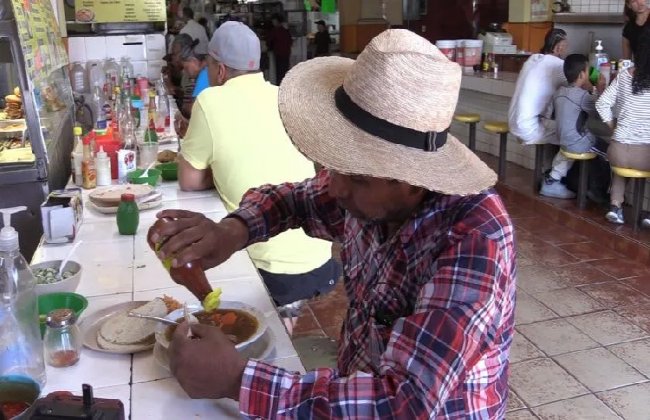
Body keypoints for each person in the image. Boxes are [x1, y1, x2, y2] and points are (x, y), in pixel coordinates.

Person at [150, 29, 515, 418]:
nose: (334, 187)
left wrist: (238, 380)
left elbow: (403, 403)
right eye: (332, 165)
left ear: (414, 180)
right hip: (355, 383)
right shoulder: (363, 194)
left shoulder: (475, 238)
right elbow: (294, 200)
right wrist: (230, 232)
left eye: (356, 177)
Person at [175, 21, 340, 334]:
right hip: (319, 258)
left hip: (270, 266)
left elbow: (190, 181)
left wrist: (217, 168)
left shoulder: (209, 102)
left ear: (219, 69)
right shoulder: (284, 97)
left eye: (208, 64)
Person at [508, 28, 576, 199]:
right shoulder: (558, 65)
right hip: (529, 127)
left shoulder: (533, 59)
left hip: (514, 122)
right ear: (559, 48)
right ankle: (553, 181)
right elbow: (579, 85)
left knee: (557, 127)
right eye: (565, 47)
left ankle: (548, 173)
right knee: (576, 136)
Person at [597, 28, 650, 225]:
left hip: (618, 151)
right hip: (646, 157)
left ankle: (615, 206)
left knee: (622, 165)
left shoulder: (625, 74)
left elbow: (601, 103)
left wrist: (614, 128)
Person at [541, 54, 608, 198]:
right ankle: (601, 192)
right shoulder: (583, 96)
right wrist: (600, 88)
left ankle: (551, 181)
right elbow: (600, 113)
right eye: (588, 69)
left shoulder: (559, 92)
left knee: (565, 155)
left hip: (562, 139)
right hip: (578, 141)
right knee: (610, 152)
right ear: (583, 74)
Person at [267, 13, 293, 85]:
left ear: (276, 21)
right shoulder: (285, 30)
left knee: (279, 73)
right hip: (286, 54)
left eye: (273, 21)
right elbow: (290, 42)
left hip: (279, 54)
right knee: (285, 71)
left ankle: (280, 86)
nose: (272, 22)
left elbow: (268, 40)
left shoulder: (275, 31)